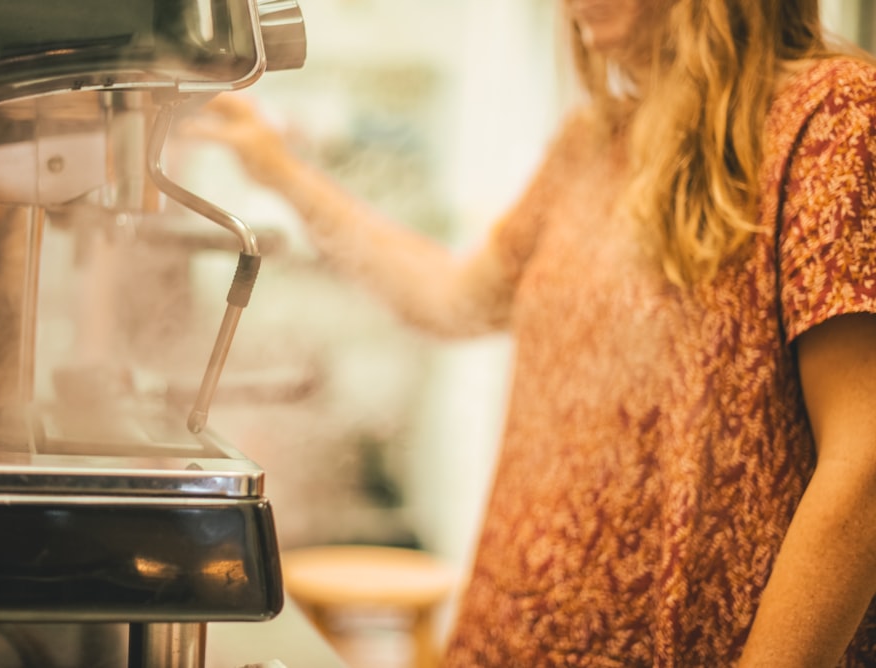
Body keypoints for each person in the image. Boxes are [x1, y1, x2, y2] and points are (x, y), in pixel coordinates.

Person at [187, 0, 876, 664]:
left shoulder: (835, 113)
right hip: (513, 637)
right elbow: (452, 300)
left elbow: (863, 461)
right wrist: (279, 170)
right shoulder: (592, 142)